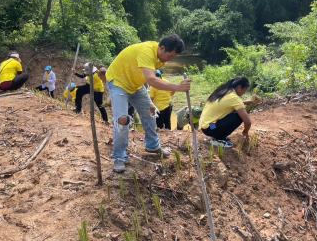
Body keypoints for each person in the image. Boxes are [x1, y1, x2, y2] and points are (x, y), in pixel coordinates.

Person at [106, 34, 191, 173]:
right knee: (122, 119)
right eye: (170, 56)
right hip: (118, 83)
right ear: (162, 48)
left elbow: (144, 75)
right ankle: (119, 157)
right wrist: (177, 87)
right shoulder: (147, 51)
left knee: (151, 110)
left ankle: (152, 145)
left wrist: (147, 100)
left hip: (136, 85)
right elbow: (152, 80)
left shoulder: (159, 56)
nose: (169, 60)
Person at [199, 77, 261, 148]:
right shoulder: (234, 98)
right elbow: (247, 122)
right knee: (238, 117)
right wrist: (245, 132)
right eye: (245, 90)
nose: (244, 93)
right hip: (210, 128)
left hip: (207, 126)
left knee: (235, 113)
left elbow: (227, 103)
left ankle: (218, 135)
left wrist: (247, 102)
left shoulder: (224, 91)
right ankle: (218, 139)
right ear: (239, 87)